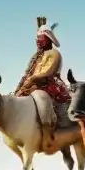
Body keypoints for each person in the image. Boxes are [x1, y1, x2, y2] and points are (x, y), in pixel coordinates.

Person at [15, 16, 69, 150]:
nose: (38, 41)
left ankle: (48, 129)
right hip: (33, 83)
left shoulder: (54, 53)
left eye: (41, 38)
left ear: (48, 39)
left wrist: (33, 79)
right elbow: (29, 73)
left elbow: (49, 72)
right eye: (37, 39)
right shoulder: (37, 57)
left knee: (42, 100)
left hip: (49, 84)